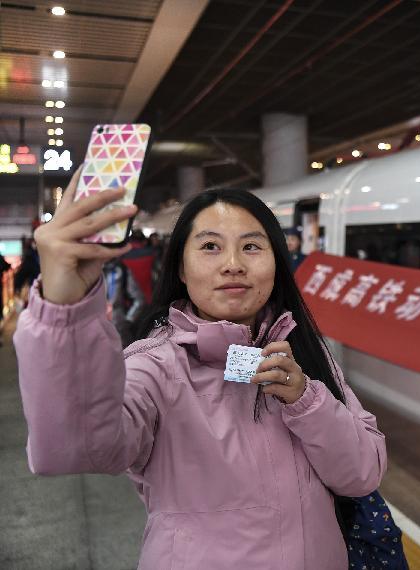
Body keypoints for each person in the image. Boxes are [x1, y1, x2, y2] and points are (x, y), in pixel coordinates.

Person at [13, 170, 386, 569]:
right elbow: (74, 448)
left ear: (277, 262)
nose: (233, 265)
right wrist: (65, 309)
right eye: (210, 246)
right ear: (180, 269)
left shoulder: (303, 353)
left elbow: (362, 475)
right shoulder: (155, 365)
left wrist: (305, 399)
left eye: (252, 247)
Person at [102, 257, 145, 346]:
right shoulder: (91, 271)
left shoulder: (121, 270)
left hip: (118, 327)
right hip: (96, 329)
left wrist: (128, 319)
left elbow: (139, 300)